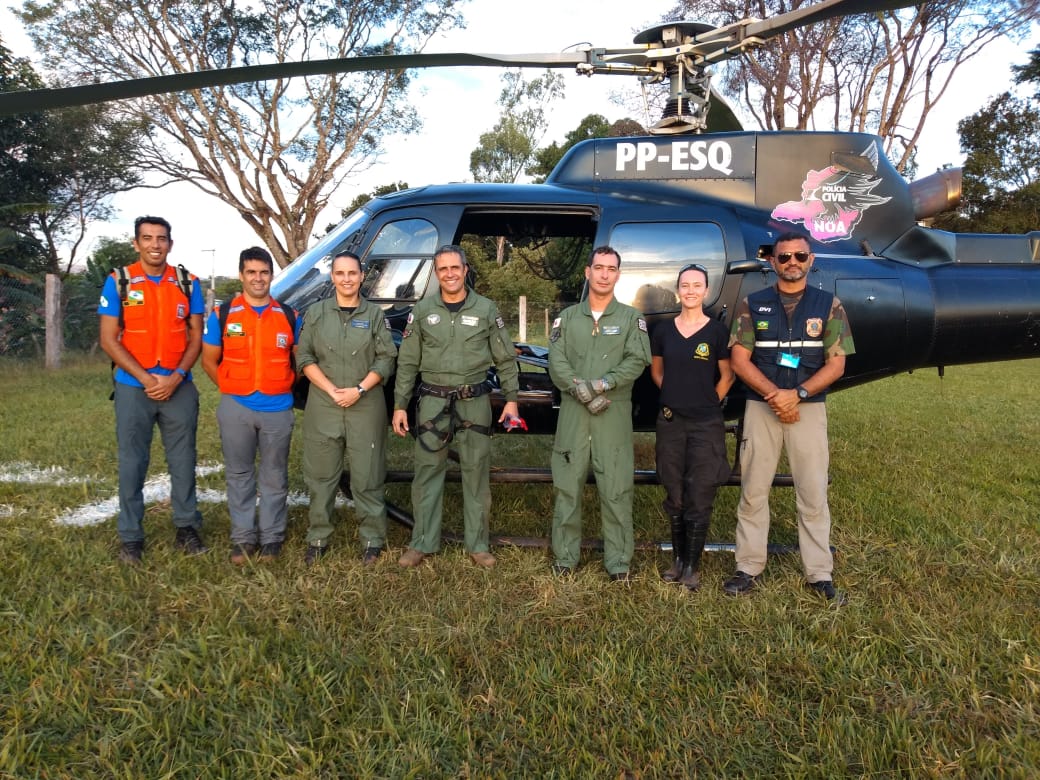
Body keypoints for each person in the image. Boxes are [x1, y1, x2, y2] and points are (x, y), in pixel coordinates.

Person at [724, 231, 855, 601]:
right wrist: (774, 395)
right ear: (773, 262)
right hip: (762, 408)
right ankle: (748, 568)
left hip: (808, 409)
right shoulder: (754, 304)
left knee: (812, 493)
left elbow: (837, 363)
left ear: (810, 260)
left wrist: (796, 395)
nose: (792, 263)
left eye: (800, 256)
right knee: (753, 491)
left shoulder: (829, 305)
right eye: (784, 257)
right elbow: (739, 360)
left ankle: (819, 574)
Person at [392, 244, 520, 569]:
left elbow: (505, 359)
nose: (449, 274)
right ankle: (422, 542)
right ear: (437, 274)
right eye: (443, 269)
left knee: (475, 473)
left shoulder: (486, 309)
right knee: (427, 473)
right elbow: (407, 362)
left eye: (455, 268)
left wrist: (512, 400)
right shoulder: (421, 311)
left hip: (474, 401)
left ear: (465, 270)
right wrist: (400, 405)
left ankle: (478, 544)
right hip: (432, 402)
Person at [98, 215, 207, 564]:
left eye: (161, 239)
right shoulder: (120, 282)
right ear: (136, 243)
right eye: (147, 238)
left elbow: (195, 337)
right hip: (134, 387)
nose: (155, 245)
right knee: (132, 462)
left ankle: (187, 528)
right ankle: (131, 537)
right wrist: (147, 380)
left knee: (183, 460)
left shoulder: (188, 283)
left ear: (170, 244)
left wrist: (175, 377)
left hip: (178, 385)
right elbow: (109, 339)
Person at [548, 246, 652, 581]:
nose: (605, 274)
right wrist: (577, 386)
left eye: (611, 268)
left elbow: (637, 360)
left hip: (613, 411)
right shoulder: (566, 318)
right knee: (567, 485)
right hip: (573, 413)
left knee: (617, 487)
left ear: (618, 274)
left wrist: (603, 383)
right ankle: (565, 557)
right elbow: (556, 359)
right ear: (587, 272)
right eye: (599, 267)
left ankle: (619, 562)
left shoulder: (630, 319)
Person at [297, 251, 397, 565]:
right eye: (340, 273)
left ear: (362, 276)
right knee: (321, 474)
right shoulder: (316, 313)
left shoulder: (376, 315)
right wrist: (330, 390)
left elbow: (386, 358)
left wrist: (359, 389)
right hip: (324, 404)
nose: (347, 279)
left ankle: (372, 539)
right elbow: (304, 358)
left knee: (368, 474)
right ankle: (318, 536)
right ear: (332, 277)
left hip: (365, 404)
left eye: (352, 273)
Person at [201, 247, 298, 564]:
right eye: (252, 272)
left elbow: (300, 361)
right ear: (242, 275)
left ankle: (271, 539)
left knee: (274, 476)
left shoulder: (287, 315)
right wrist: (230, 389)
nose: (258, 278)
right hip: (236, 408)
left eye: (264, 272)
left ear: (271, 275)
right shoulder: (224, 314)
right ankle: (243, 539)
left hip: (278, 409)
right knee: (239, 474)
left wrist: (281, 386)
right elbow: (208, 359)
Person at [650, 263, 735, 591]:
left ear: (706, 291)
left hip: (705, 423)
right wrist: (674, 395)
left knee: (700, 490)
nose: (690, 291)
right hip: (671, 421)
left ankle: (693, 567)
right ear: (678, 290)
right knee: (674, 490)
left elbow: (727, 374)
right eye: (685, 285)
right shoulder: (663, 332)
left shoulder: (715, 332)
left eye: (696, 285)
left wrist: (709, 400)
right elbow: (657, 372)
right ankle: (678, 560)